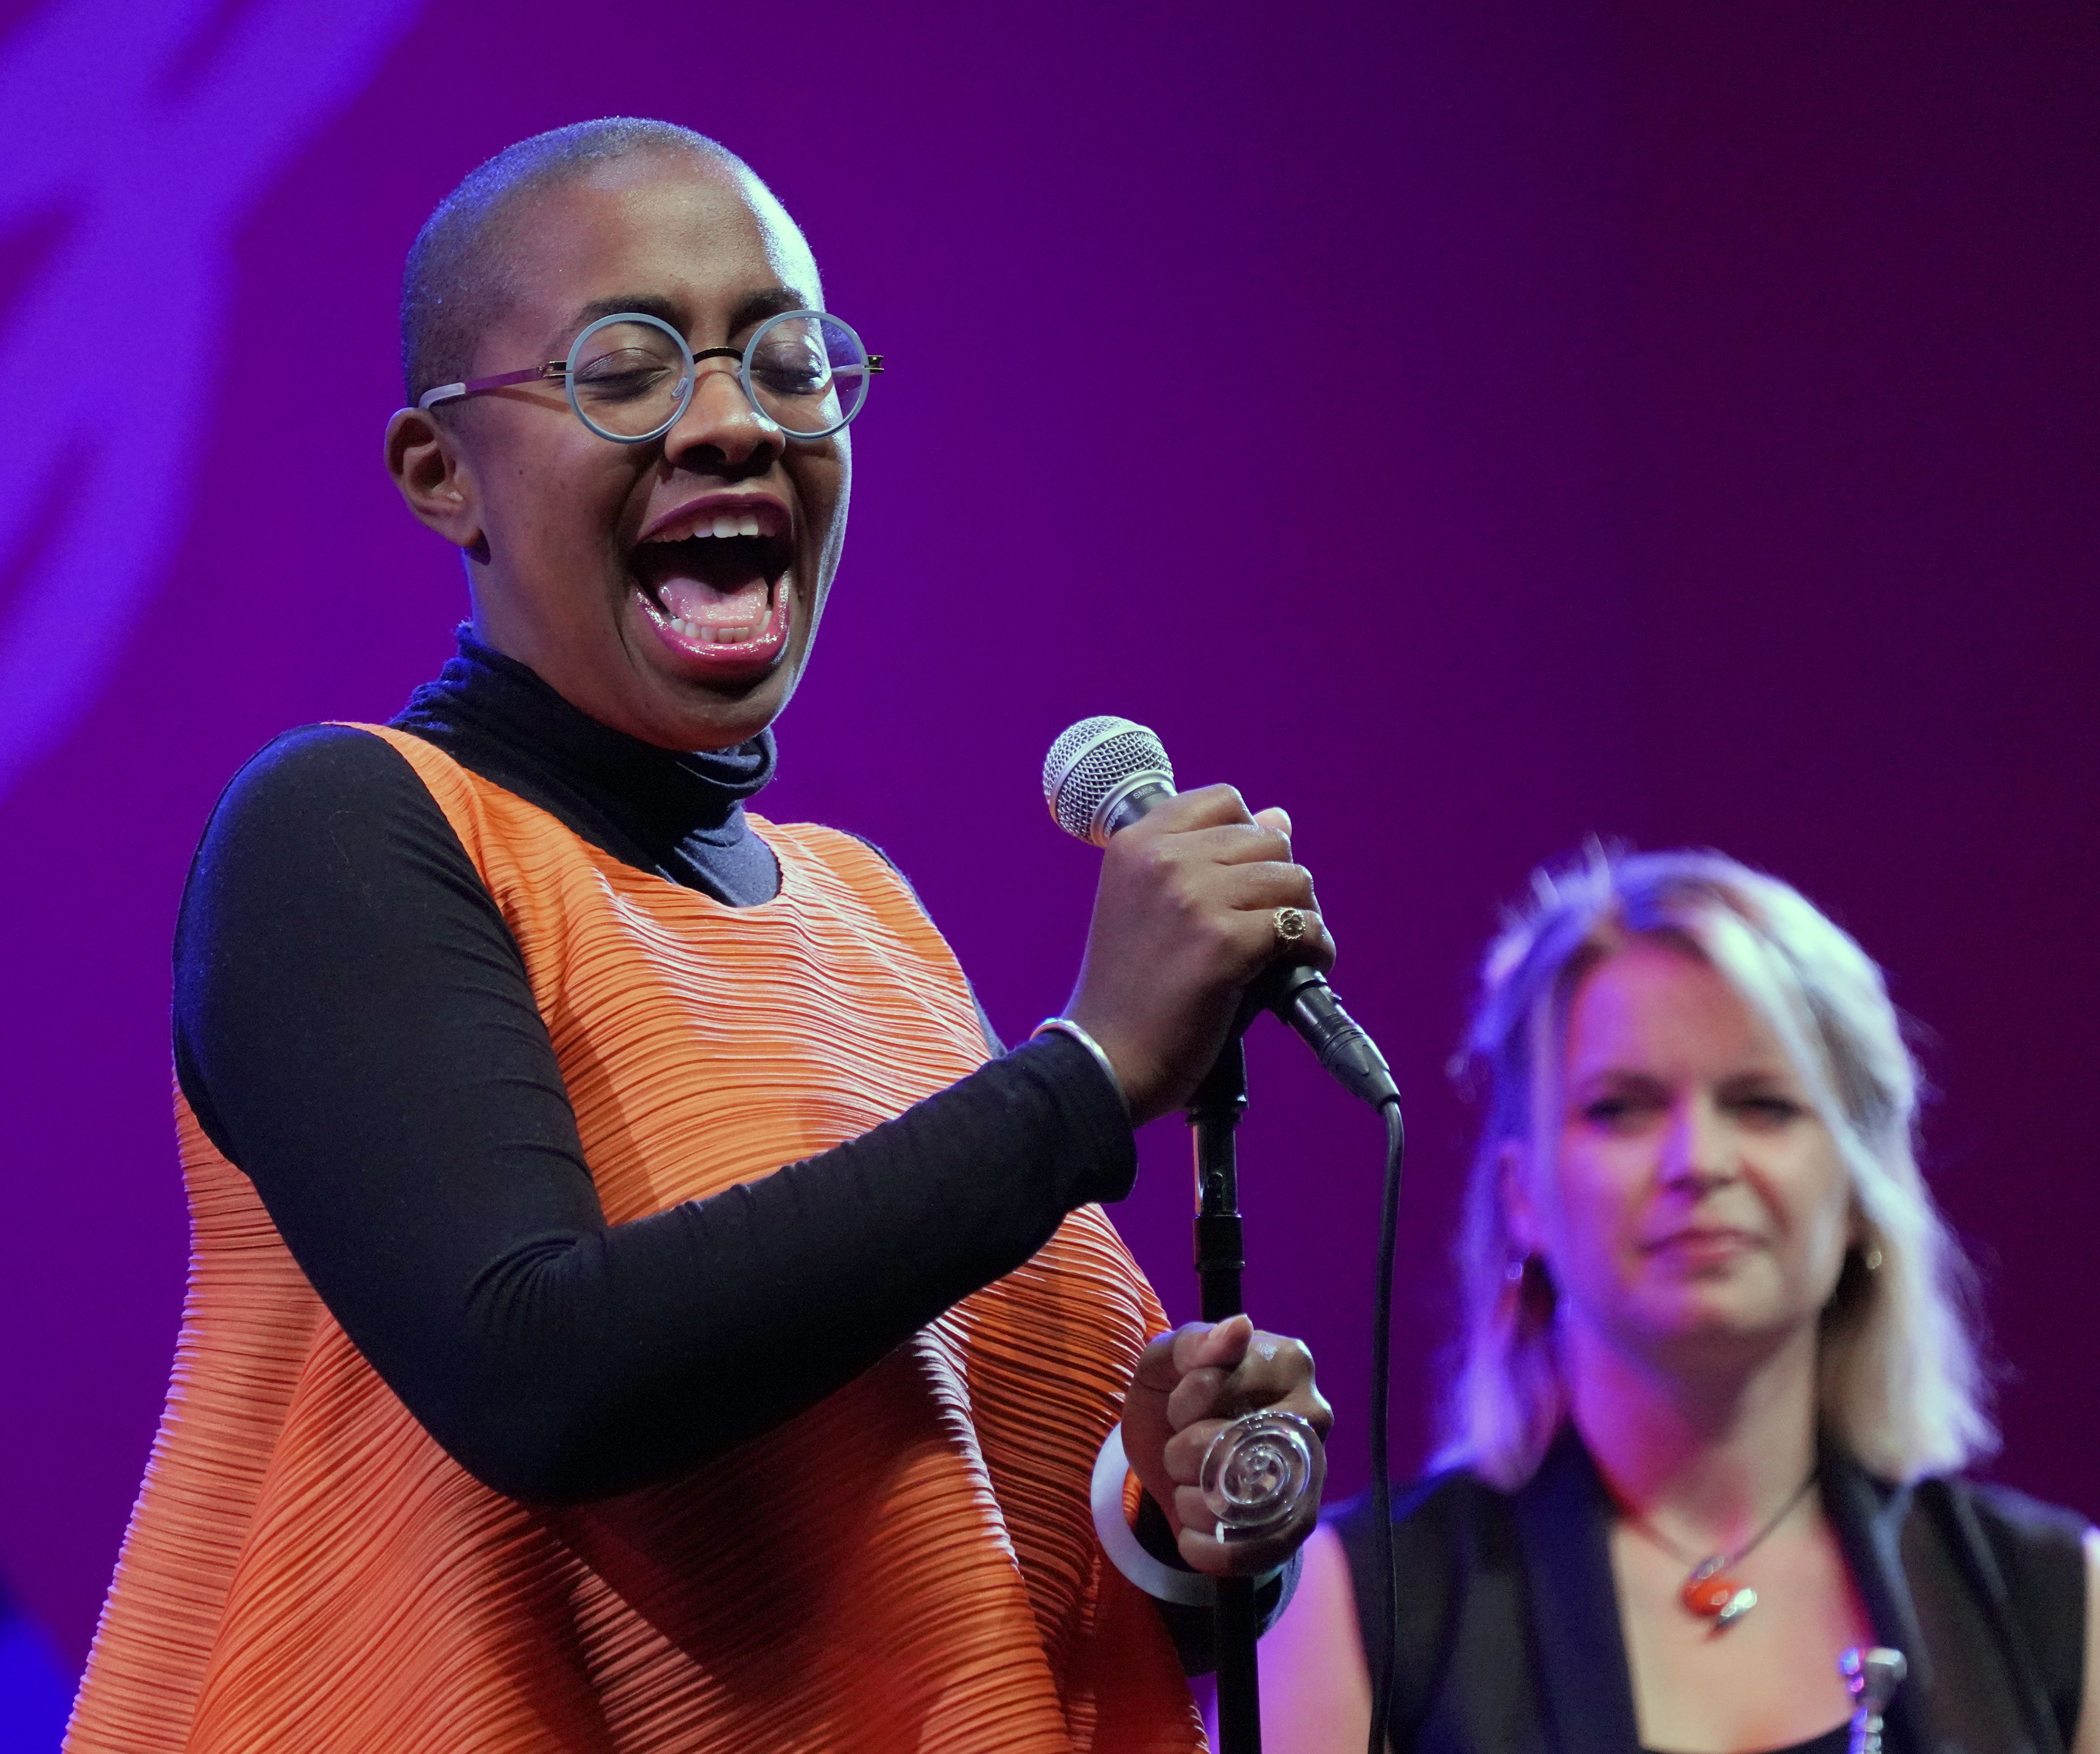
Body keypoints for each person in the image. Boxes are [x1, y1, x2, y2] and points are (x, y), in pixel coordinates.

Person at [66, 118, 1332, 1753]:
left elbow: (943, 1543)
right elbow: (540, 1370)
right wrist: (1087, 1076)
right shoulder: (344, 828)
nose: (735, 420)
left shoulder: (867, 915)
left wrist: (1173, 1515)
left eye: (789, 363)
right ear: (443, 471)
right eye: (626, 369)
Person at [1260, 849, 2100, 1754]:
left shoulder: (2069, 1607)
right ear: (1522, 1195)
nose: (1697, 1162)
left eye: (1762, 1103)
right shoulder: (1354, 1606)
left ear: (1860, 1188)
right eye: (1621, 1107)